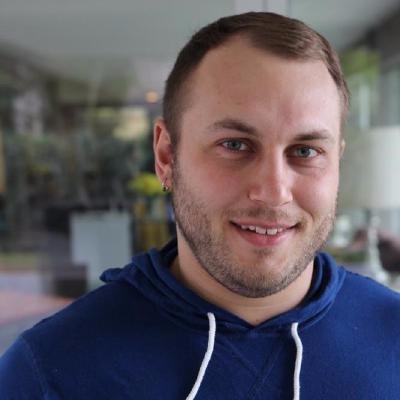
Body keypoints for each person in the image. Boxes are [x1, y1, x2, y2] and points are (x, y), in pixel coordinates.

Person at [1, 12, 399, 400]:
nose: (274, 192)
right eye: (235, 145)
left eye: (306, 151)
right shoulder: (49, 371)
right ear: (166, 156)